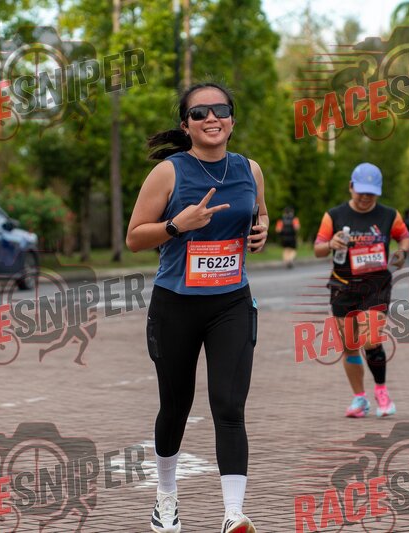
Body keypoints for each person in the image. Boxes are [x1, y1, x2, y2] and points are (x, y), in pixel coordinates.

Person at [126, 82, 267, 533]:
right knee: (176, 406)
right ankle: (166, 497)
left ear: (232, 120)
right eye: (199, 113)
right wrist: (176, 225)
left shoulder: (250, 169)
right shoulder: (169, 173)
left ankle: (233, 514)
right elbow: (134, 237)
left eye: (220, 110)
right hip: (176, 307)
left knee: (229, 405)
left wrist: (261, 230)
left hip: (231, 302)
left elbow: (259, 213)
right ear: (186, 126)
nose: (211, 118)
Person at [313, 162, 409, 418]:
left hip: (376, 286)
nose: (366, 198)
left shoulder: (389, 215)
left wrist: (402, 251)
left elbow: (404, 236)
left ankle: (381, 391)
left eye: (371, 193)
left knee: (371, 339)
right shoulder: (334, 216)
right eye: (361, 192)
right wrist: (331, 244)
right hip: (343, 287)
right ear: (351, 187)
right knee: (350, 345)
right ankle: (359, 398)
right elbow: (318, 249)